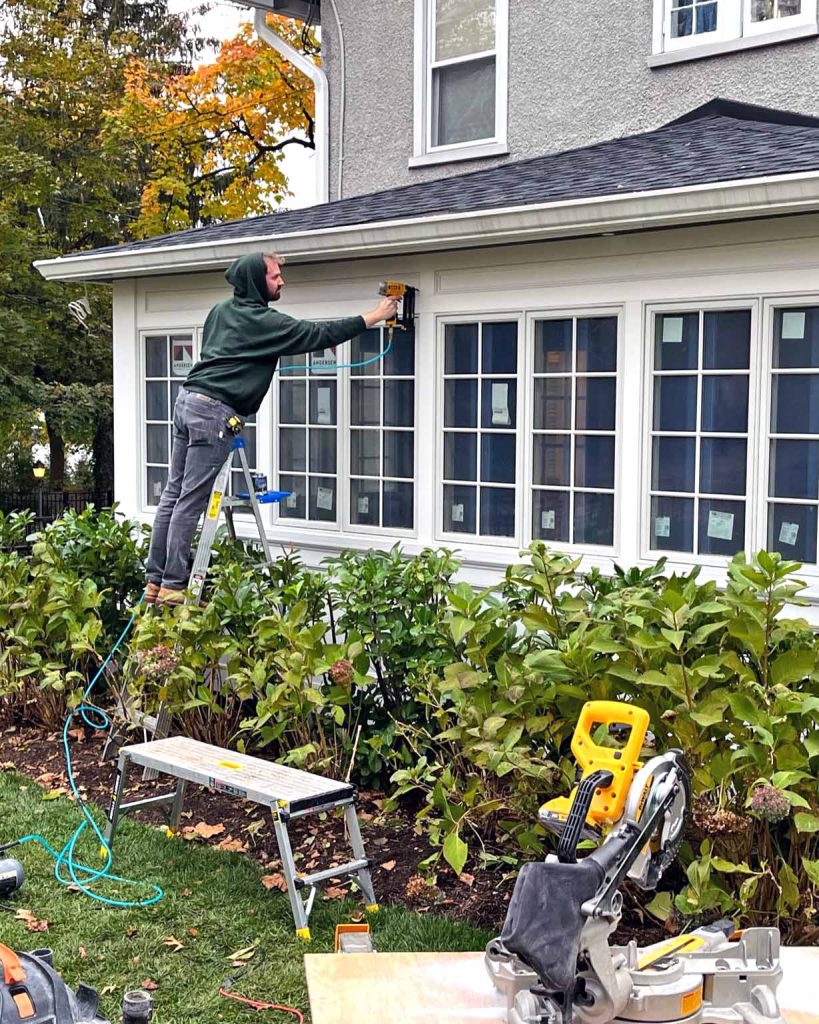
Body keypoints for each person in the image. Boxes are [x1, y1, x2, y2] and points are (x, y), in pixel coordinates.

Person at [144, 251, 399, 606]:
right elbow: (318, 334)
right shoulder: (263, 321)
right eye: (275, 276)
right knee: (190, 500)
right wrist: (374, 316)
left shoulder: (220, 311)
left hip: (188, 400)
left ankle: (155, 581)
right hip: (214, 412)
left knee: (173, 494)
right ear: (255, 280)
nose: (282, 281)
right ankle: (174, 586)